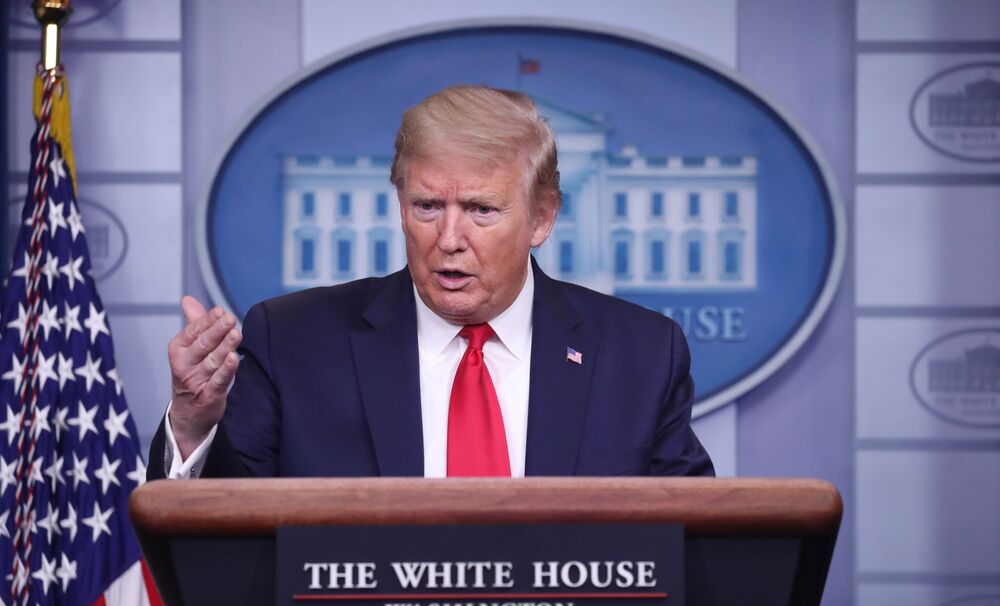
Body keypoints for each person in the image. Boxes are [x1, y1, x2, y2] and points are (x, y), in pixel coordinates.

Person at [146, 85, 714, 480]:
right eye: (425, 205)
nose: (448, 237)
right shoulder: (293, 342)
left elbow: (697, 552)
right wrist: (194, 425)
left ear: (542, 217)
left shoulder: (640, 355)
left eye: (480, 210)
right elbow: (224, 549)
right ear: (398, 204)